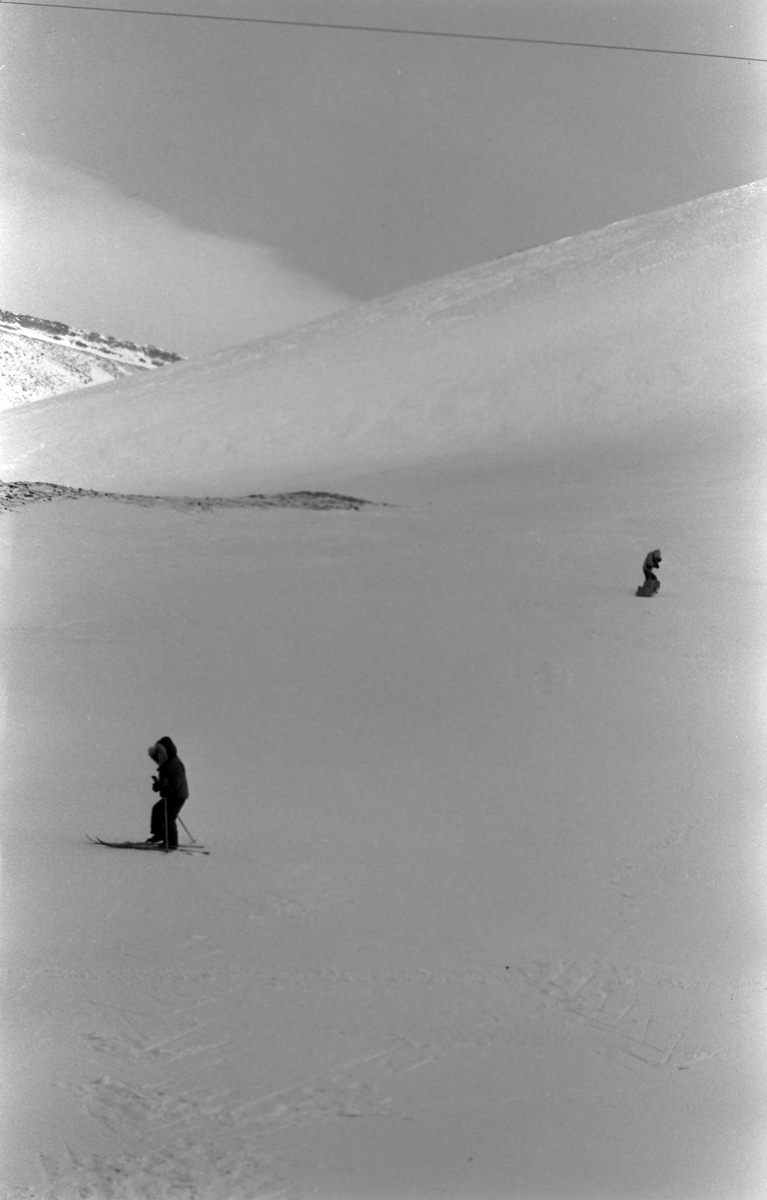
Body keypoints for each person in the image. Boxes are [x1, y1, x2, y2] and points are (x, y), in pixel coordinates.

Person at [146, 736, 189, 850]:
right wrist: (159, 785)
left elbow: (178, 777)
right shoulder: (166, 764)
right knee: (157, 809)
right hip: (171, 794)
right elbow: (166, 781)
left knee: (168, 817)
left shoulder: (174, 763)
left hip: (177, 795)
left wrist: (171, 787)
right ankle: (160, 834)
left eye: (159, 755)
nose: (158, 759)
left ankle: (171, 843)